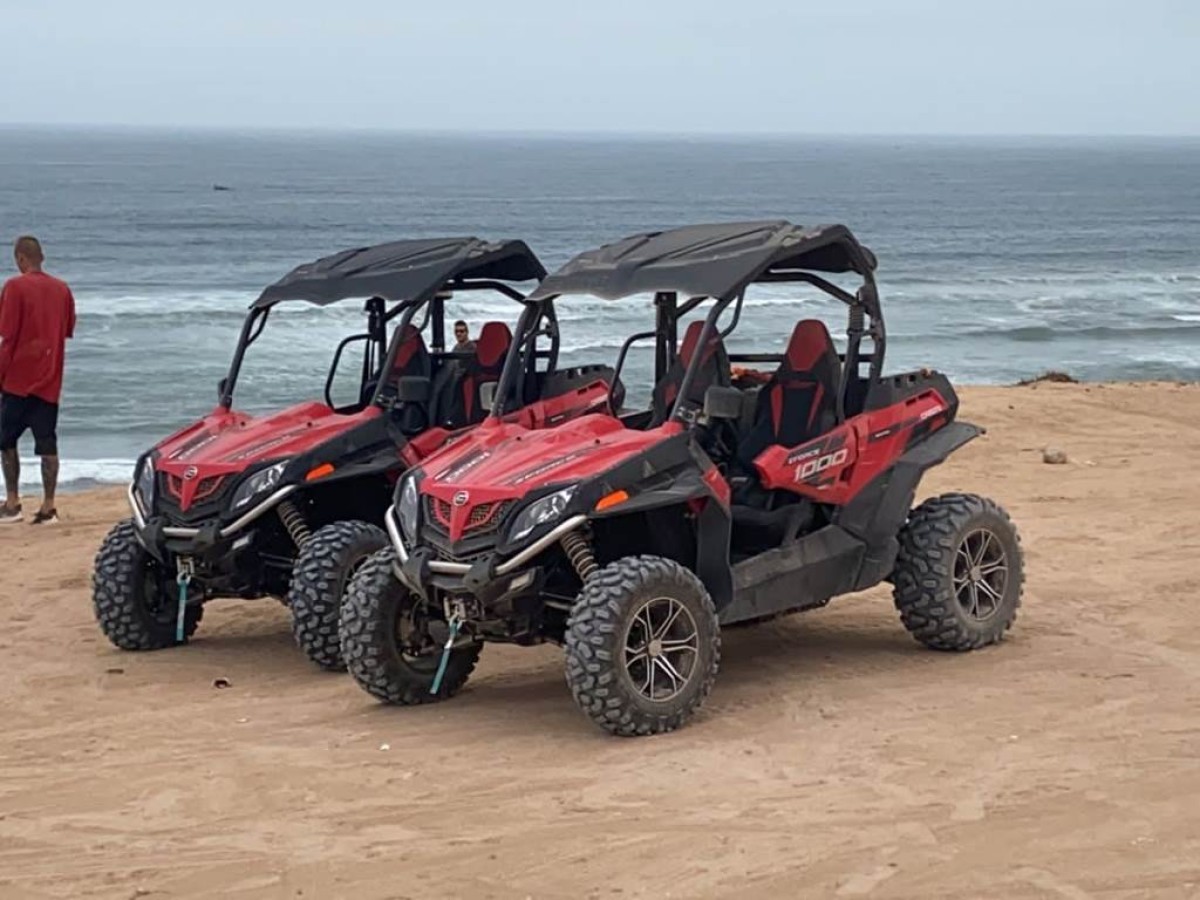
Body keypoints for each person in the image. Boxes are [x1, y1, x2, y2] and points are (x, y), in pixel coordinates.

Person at [0, 236, 76, 524]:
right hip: (49, 380)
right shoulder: (62, 289)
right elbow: (66, 330)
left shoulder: (15, 287)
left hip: (18, 380)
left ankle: (13, 502)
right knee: (47, 443)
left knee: (6, 440)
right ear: (41, 257)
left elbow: (8, 337)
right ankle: (49, 506)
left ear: (20, 258)